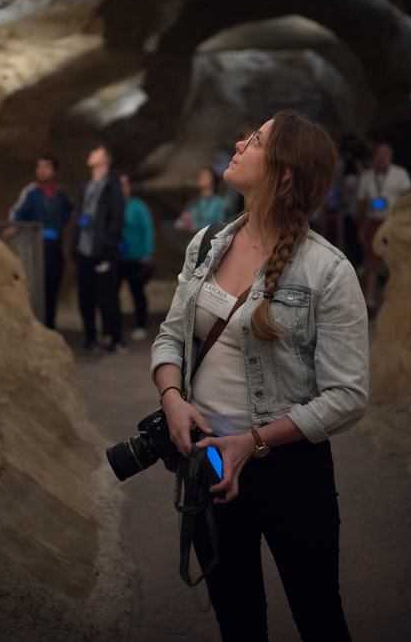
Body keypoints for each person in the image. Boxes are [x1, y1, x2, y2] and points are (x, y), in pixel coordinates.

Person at [151, 110, 369, 641]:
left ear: (284, 171)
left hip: (290, 471)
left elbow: (347, 395)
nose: (239, 143)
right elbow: (170, 336)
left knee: (319, 618)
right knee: (238, 621)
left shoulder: (328, 270)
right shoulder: (206, 244)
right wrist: (172, 396)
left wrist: (252, 441)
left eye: (256, 140)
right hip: (209, 463)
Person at [5, 155, 74, 330]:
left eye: (46, 167)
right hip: (35, 251)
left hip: (55, 249)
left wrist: (59, 228)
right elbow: (16, 214)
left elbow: (69, 212)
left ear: (54, 171)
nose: (41, 171)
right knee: (35, 290)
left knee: (52, 288)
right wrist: (16, 228)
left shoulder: (61, 194)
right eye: (39, 167)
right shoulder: (31, 192)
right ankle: (35, 327)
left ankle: (50, 326)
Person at [74, 144, 126, 353]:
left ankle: (116, 338)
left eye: (95, 152)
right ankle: (90, 338)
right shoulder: (86, 186)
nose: (90, 154)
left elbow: (116, 219)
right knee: (85, 297)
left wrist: (107, 248)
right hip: (84, 250)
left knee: (107, 296)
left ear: (105, 159)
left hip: (102, 251)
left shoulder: (112, 186)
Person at [356, 140, 411, 314]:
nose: (382, 158)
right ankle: (370, 301)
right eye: (379, 155)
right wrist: (362, 226)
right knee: (371, 263)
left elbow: (408, 196)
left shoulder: (400, 174)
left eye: (385, 155)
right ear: (375, 157)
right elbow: (361, 203)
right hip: (373, 223)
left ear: (391, 157)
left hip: (392, 223)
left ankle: (400, 300)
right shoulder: (366, 177)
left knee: (396, 262)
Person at [119, 172, 155, 341]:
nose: (122, 188)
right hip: (117, 257)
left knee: (137, 292)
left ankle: (141, 324)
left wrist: (147, 253)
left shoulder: (138, 206)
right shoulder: (111, 206)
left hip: (136, 256)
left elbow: (148, 229)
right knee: (110, 293)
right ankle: (113, 327)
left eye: (125, 184)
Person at [176, 167, 226, 232]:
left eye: (205, 175)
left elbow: (220, 224)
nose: (201, 177)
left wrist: (194, 226)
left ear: (213, 180)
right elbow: (181, 220)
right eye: (200, 175)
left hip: (208, 235)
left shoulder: (218, 202)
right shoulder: (193, 201)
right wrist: (183, 221)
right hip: (189, 234)